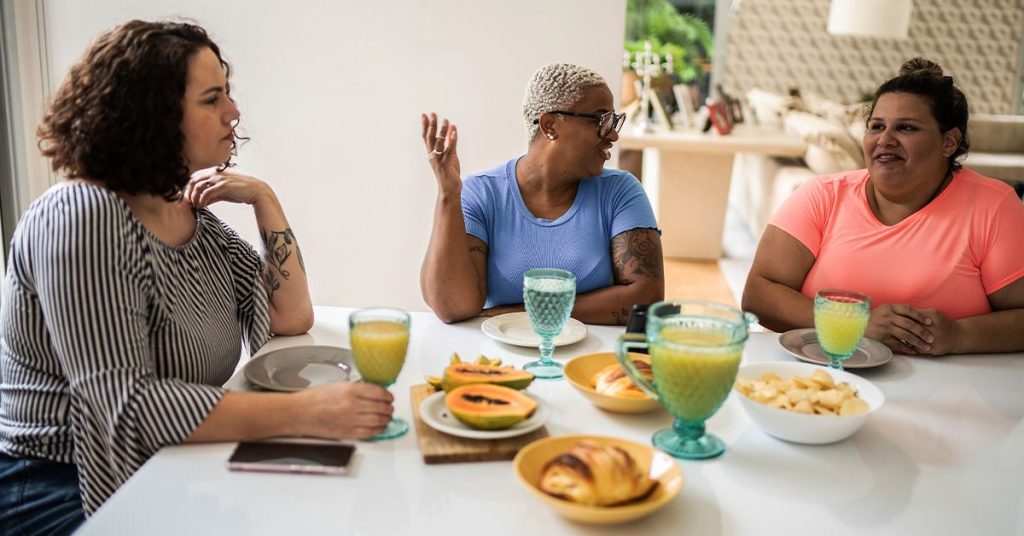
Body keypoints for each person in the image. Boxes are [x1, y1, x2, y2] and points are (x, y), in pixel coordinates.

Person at [0, 20, 394, 531]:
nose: (234, 113)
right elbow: (130, 408)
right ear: (152, 118)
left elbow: (290, 315)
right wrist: (309, 412)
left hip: (167, 465)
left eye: (226, 94)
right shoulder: (83, 216)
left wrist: (264, 199)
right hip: (57, 486)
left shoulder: (188, 216)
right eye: (212, 99)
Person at [742, 58, 1024, 356]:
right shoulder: (821, 195)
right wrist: (855, 324)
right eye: (876, 126)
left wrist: (960, 335)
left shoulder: (992, 206)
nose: (885, 140)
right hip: (820, 378)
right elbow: (757, 295)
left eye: (906, 128)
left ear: (949, 142)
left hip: (948, 390)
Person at [420, 63, 664, 325]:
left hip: (593, 360)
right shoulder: (481, 193)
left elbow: (646, 300)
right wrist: (448, 195)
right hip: (501, 360)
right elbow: (452, 307)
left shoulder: (621, 192)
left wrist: (524, 313)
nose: (613, 134)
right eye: (601, 120)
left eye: (614, 121)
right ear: (550, 125)